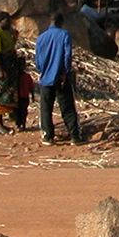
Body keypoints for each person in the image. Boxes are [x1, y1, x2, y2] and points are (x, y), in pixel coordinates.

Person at [34, 12, 80, 145]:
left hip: (45, 78)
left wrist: (43, 70)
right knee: (67, 107)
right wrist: (65, 72)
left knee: (46, 108)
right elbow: (67, 56)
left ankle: (48, 136)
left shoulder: (41, 38)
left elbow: (38, 62)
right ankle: (74, 136)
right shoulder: (64, 35)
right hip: (61, 77)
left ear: (50, 21)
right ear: (61, 22)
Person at [0, 18, 20, 134]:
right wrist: (0, 70)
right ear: (0, 21)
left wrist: (15, 38)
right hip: (1, 67)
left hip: (9, 67)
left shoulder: (7, 33)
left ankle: (13, 119)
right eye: (6, 21)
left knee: (8, 94)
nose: (9, 23)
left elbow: (10, 48)